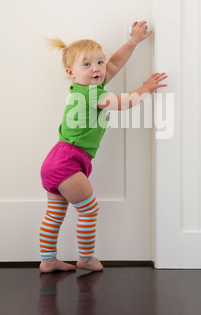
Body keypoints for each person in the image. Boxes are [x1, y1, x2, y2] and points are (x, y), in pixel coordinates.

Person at [39, 21, 167, 273]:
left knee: (55, 215)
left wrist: (133, 41)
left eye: (99, 62)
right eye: (87, 64)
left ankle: (48, 260)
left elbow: (116, 63)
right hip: (67, 162)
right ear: (71, 73)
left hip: (57, 160)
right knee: (89, 210)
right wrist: (146, 88)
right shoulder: (92, 95)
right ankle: (85, 258)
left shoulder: (86, 87)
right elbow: (122, 102)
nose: (97, 68)